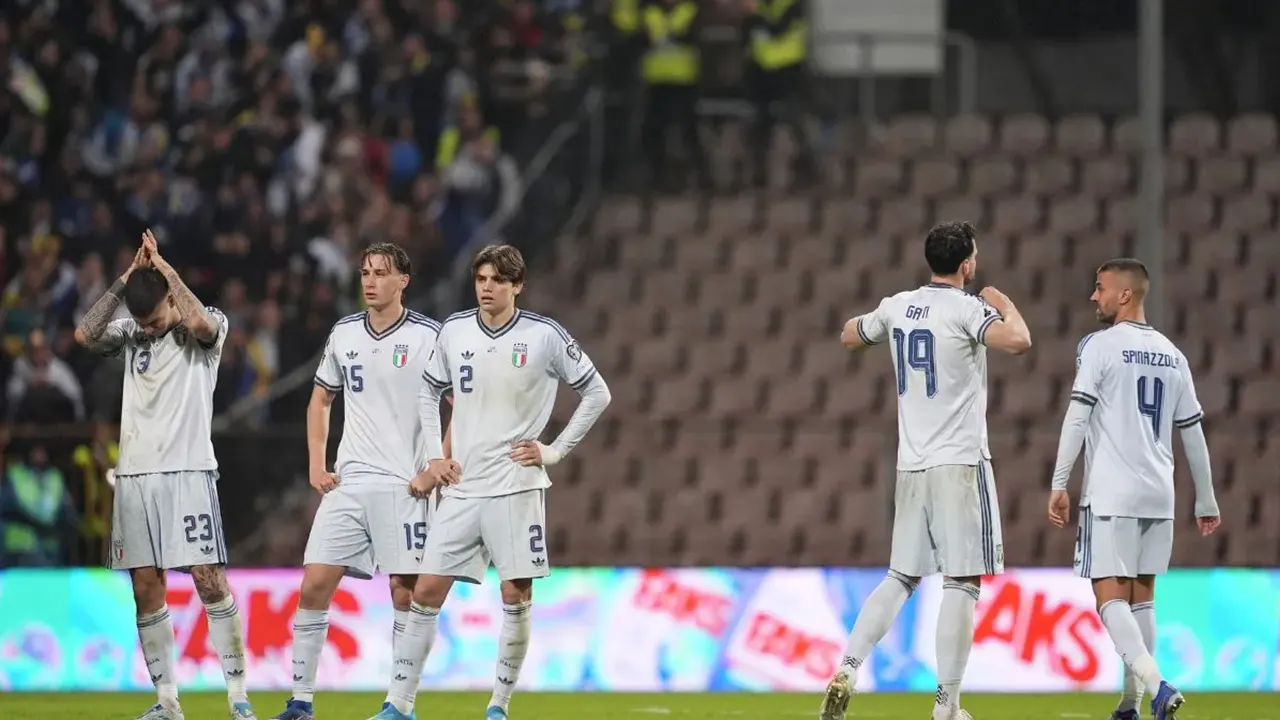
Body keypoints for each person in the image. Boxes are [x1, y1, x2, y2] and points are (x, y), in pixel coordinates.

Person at [374, 244, 612, 720]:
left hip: (515, 486)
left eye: (498, 280)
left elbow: (597, 392)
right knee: (425, 592)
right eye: (481, 279)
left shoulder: (543, 335)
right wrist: (435, 457)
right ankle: (398, 704)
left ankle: (498, 706)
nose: (487, 288)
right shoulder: (455, 330)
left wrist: (554, 450)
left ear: (517, 285)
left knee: (515, 594)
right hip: (462, 487)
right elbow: (428, 391)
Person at [822, 221, 1033, 720]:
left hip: (911, 464)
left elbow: (849, 335)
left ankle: (848, 667)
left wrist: (876, 325)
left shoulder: (899, 305)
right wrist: (1003, 301)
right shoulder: (968, 308)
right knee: (962, 582)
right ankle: (947, 705)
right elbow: (1019, 340)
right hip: (959, 464)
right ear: (967, 263)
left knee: (901, 576)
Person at [273, 243, 467, 720]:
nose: (370, 281)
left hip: (405, 485)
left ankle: (399, 704)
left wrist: (436, 464)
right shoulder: (344, 333)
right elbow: (320, 401)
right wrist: (316, 464)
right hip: (350, 481)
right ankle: (300, 701)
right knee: (314, 583)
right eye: (365, 272)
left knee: (405, 591)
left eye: (380, 273)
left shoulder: (428, 336)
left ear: (404, 280)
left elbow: (463, 404)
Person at [74, 230, 256, 720]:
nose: (149, 329)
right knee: (145, 587)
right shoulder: (133, 333)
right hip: (135, 477)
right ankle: (167, 701)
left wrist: (166, 270)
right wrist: (125, 279)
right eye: (142, 322)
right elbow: (85, 335)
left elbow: (197, 321)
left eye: (154, 319)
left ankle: (238, 695)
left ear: (172, 298)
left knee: (208, 579)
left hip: (188, 473)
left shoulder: (206, 327)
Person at [1046, 258, 1218, 720]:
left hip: (1112, 491)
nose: (1093, 296)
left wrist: (1060, 482)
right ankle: (1129, 705)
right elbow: (1192, 432)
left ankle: (1157, 686)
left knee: (1109, 599)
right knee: (1142, 600)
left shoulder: (1099, 347)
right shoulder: (1173, 354)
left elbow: (1077, 416)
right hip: (1159, 494)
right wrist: (1205, 497)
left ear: (1124, 295)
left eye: (1100, 287)